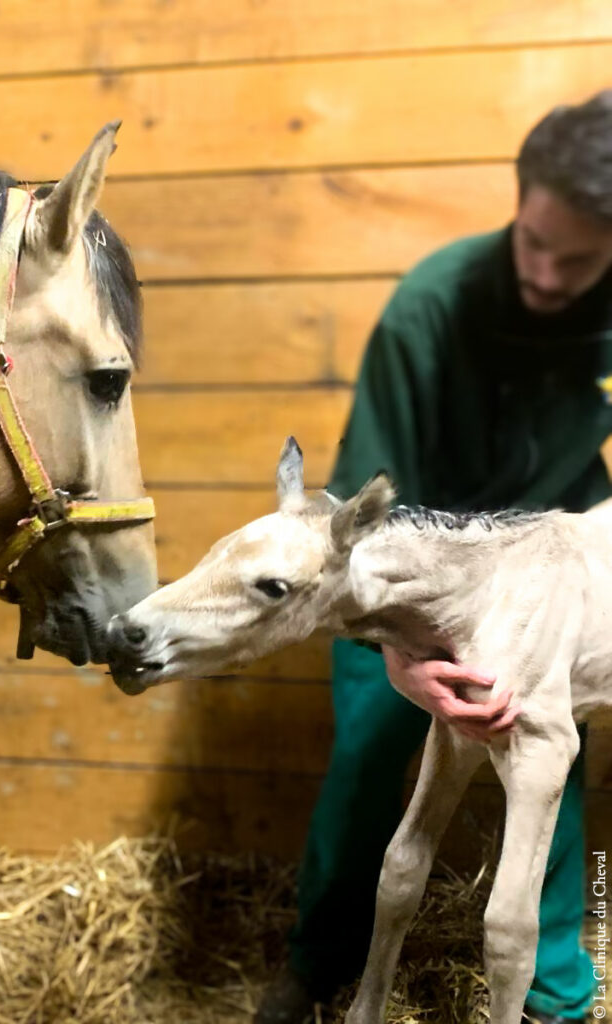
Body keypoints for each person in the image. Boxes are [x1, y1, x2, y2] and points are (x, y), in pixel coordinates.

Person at [257, 90, 612, 1024]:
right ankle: (318, 965)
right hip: (403, 574)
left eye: (574, 259)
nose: (544, 271)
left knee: (547, 757)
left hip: (545, 574)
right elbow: (363, 517)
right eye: (532, 241)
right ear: (521, 201)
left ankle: (556, 992)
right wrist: (407, 656)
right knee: (374, 749)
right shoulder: (431, 309)